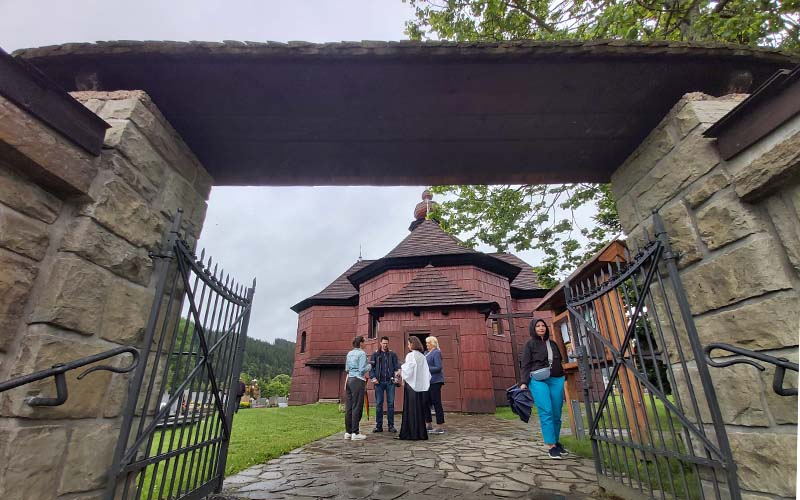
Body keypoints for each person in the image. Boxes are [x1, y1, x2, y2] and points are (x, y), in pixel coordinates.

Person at [520, 318, 568, 459]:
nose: (541, 328)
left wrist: (563, 375)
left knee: (556, 412)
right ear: (533, 329)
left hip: (556, 379)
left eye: (543, 325)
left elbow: (561, 360)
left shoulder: (552, 344)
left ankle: (556, 441)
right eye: (538, 326)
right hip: (538, 380)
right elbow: (526, 364)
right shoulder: (530, 345)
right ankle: (551, 446)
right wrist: (524, 382)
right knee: (546, 410)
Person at [397, 336, 431, 440]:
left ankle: (411, 433)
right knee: (419, 409)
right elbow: (427, 373)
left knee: (411, 410)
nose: (408, 346)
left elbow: (409, 369)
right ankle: (420, 433)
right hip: (420, 387)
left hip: (411, 386)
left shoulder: (411, 355)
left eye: (408, 344)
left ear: (412, 344)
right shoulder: (422, 356)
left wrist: (401, 371)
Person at [370, 336, 401, 433]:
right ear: (380, 343)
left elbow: (397, 367)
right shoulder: (375, 354)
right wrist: (373, 378)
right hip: (379, 383)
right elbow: (371, 368)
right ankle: (379, 426)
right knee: (379, 404)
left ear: (388, 343)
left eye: (386, 343)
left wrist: (397, 377)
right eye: (383, 343)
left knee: (391, 404)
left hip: (390, 382)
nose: (385, 345)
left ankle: (391, 426)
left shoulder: (392, 355)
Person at [344, 335, 370, 441]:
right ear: (361, 343)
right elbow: (362, 369)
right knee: (357, 406)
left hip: (349, 380)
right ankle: (355, 432)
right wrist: (370, 365)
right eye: (365, 342)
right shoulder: (362, 353)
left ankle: (348, 432)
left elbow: (346, 368)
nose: (366, 344)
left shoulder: (349, 353)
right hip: (358, 380)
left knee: (349, 407)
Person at [424, 336, 446, 434]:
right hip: (427, 382)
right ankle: (428, 424)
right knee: (426, 402)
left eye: (428, 343)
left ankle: (440, 426)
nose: (427, 345)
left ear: (433, 343)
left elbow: (438, 367)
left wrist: (426, 368)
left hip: (435, 381)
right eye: (426, 343)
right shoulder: (426, 353)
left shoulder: (436, 352)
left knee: (436, 403)